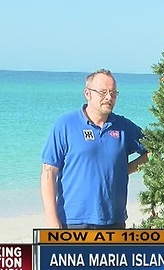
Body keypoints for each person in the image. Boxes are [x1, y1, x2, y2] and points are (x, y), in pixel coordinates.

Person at [40, 69, 148, 229]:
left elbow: (155, 148)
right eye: (103, 92)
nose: (108, 97)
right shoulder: (65, 125)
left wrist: (127, 169)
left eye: (113, 93)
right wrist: (51, 220)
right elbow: (49, 173)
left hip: (114, 221)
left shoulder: (124, 126)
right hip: (73, 222)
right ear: (87, 93)